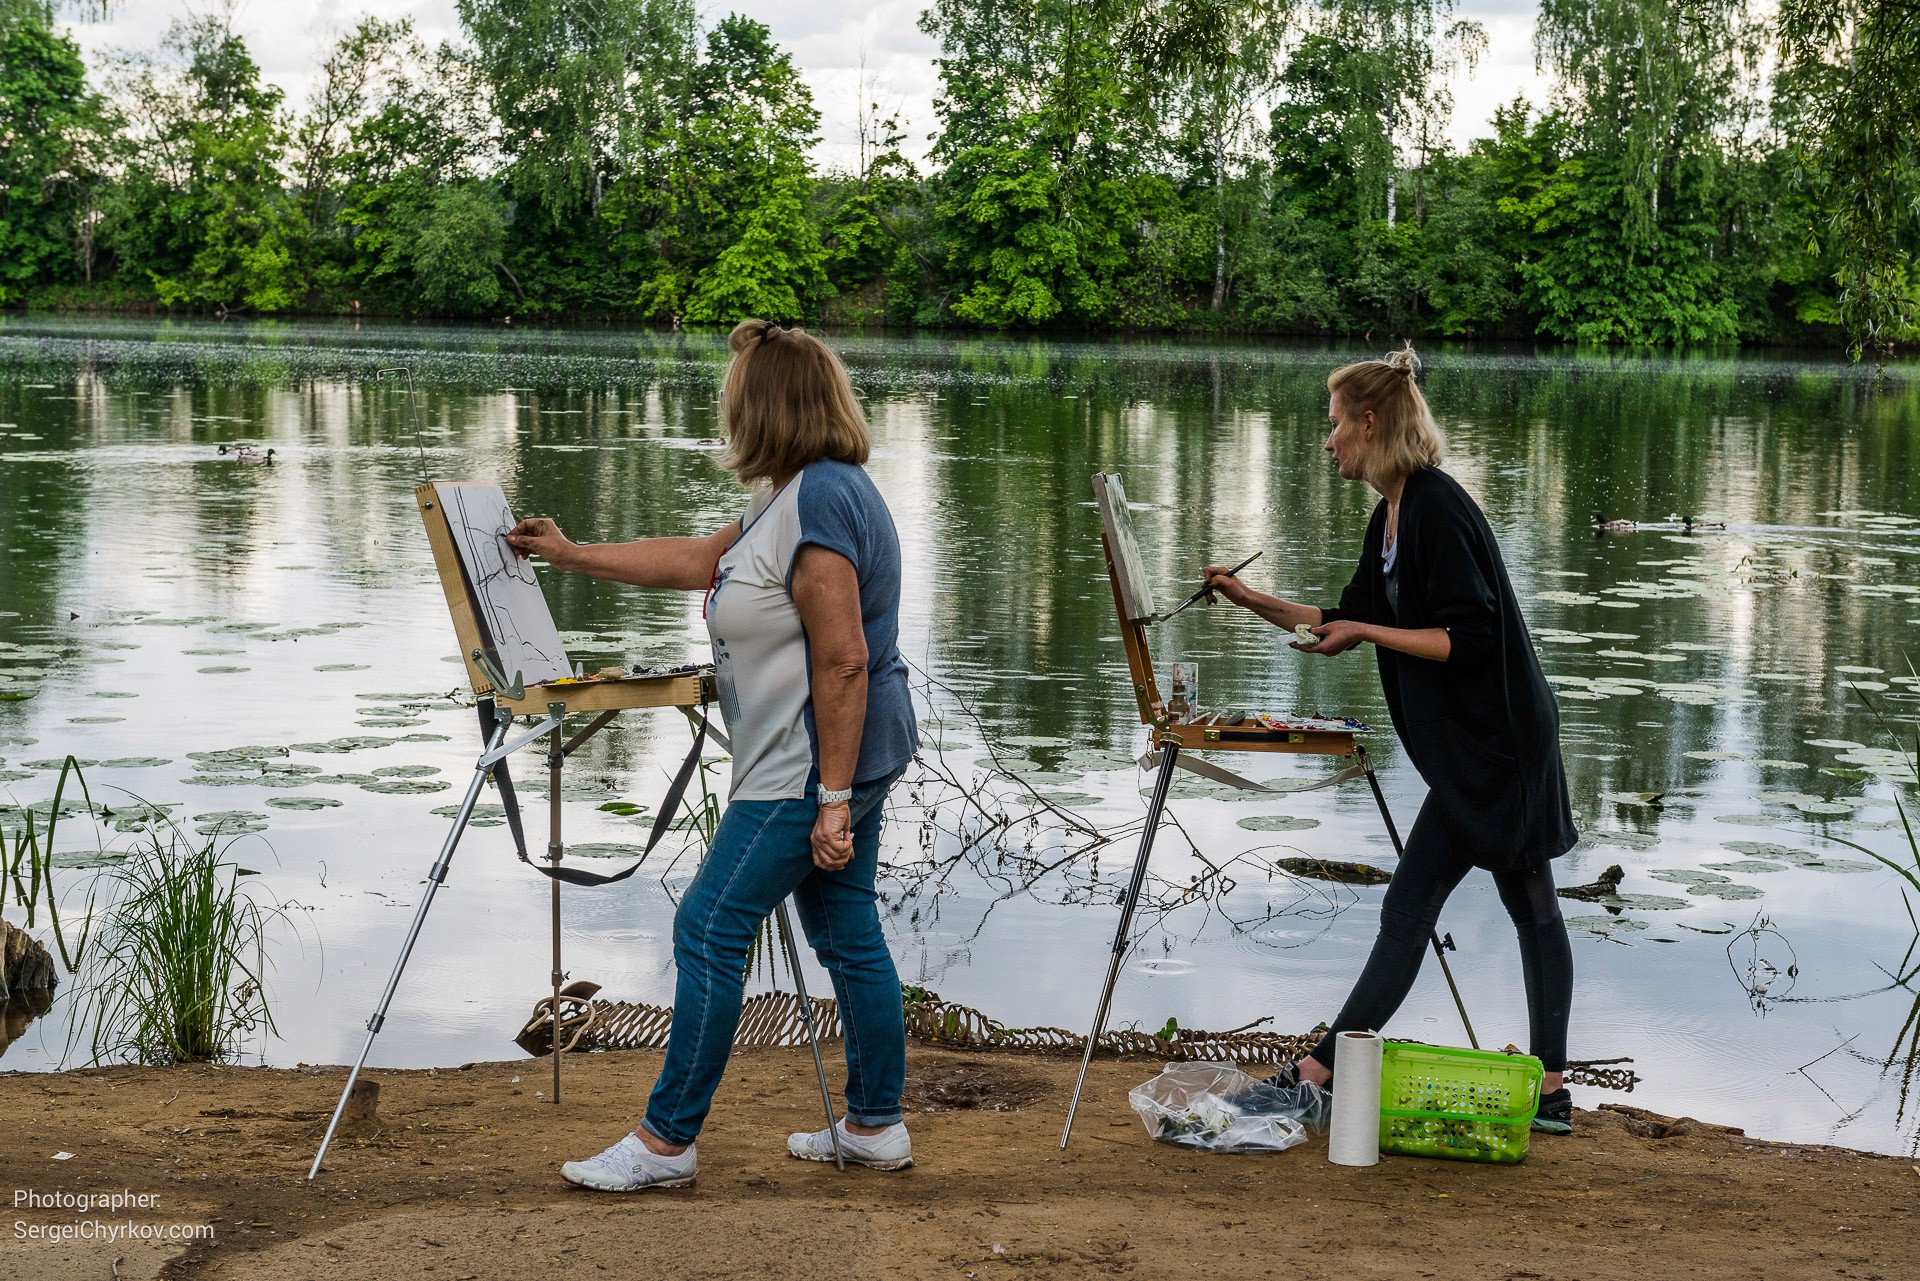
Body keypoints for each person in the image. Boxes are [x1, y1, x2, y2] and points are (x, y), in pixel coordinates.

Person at [505, 319, 920, 1189]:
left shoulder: (818, 504)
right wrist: (573, 553)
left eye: (735, 402)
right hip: (837, 757)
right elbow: (704, 559)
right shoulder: (799, 492)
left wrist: (832, 797)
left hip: (809, 766)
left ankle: (666, 1143)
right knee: (847, 935)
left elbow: (844, 656)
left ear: (765, 409)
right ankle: (876, 1124)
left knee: (708, 924)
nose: (727, 418)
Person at [1201, 345, 1579, 1134]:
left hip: (1499, 744)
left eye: (1335, 424)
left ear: (1370, 423)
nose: (1328, 439)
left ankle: (1319, 1069)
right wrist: (1244, 598)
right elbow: (1335, 620)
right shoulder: (1393, 515)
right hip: (1487, 741)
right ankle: (1551, 1092)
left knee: (1418, 905)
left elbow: (1467, 638)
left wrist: (1369, 630)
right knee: (1530, 903)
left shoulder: (1435, 506)